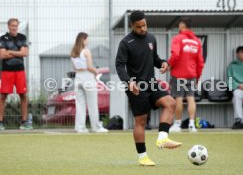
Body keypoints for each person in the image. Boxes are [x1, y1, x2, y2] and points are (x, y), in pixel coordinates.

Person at [116, 11, 181, 166]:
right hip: (136, 86)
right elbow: (119, 65)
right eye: (139, 27)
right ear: (132, 25)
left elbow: (155, 58)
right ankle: (143, 157)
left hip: (151, 83)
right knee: (141, 121)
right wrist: (128, 82)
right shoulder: (126, 42)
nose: (143, 29)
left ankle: (162, 138)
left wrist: (163, 63)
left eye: (144, 25)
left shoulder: (151, 38)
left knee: (171, 103)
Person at [168, 18, 204, 133]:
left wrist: (168, 65)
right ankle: (192, 125)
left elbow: (175, 54)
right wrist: (197, 77)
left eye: (179, 25)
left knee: (178, 99)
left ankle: (177, 124)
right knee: (191, 98)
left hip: (178, 74)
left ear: (182, 25)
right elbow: (200, 62)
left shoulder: (178, 38)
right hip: (192, 74)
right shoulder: (197, 41)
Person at [71, 32, 108, 133]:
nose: (88, 41)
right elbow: (90, 67)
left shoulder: (73, 52)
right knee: (92, 104)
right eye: (87, 39)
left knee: (80, 104)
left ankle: (80, 127)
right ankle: (96, 127)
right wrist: (96, 72)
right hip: (88, 77)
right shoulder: (86, 51)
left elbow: (74, 68)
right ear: (83, 39)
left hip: (78, 77)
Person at [0, 18, 32, 130]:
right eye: (12, 25)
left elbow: (25, 53)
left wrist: (10, 52)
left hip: (20, 71)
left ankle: (24, 122)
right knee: (3, 96)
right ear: (8, 26)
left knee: (23, 95)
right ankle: (0, 122)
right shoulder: (3, 38)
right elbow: (2, 55)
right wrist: (19, 53)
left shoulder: (22, 37)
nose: (14, 28)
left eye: (16, 26)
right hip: (6, 71)